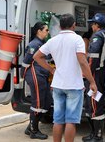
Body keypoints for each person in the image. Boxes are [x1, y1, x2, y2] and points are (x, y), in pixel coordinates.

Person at [33, 13, 98, 142]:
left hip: (57, 85)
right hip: (74, 86)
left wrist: (51, 69)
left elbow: (36, 56)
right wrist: (92, 82)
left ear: (61, 26)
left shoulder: (53, 40)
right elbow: (83, 62)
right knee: (71, 121)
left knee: (58, 120)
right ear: (73, 25)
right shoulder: (77, 39)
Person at [21, 21, 52, 140]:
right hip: (35, 75)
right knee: (38, 103)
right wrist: (23, 75)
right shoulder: (34, 44)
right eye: (46, 30)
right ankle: (34, 131)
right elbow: (26, 61)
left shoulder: (42, 43)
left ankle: (30, 127)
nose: (48, 32)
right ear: (39, 31)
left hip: (42, 75)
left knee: (46, 102)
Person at [82, 13, 105, 142]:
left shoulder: (98, 35)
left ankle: (97, 136)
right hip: (102, 73)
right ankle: (93, 134)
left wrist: (87, 73)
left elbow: (93, 57)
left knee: (94, 103)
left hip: (95, 73)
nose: (91, 26)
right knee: (94, 102)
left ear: (97, 25)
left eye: (92, 23)